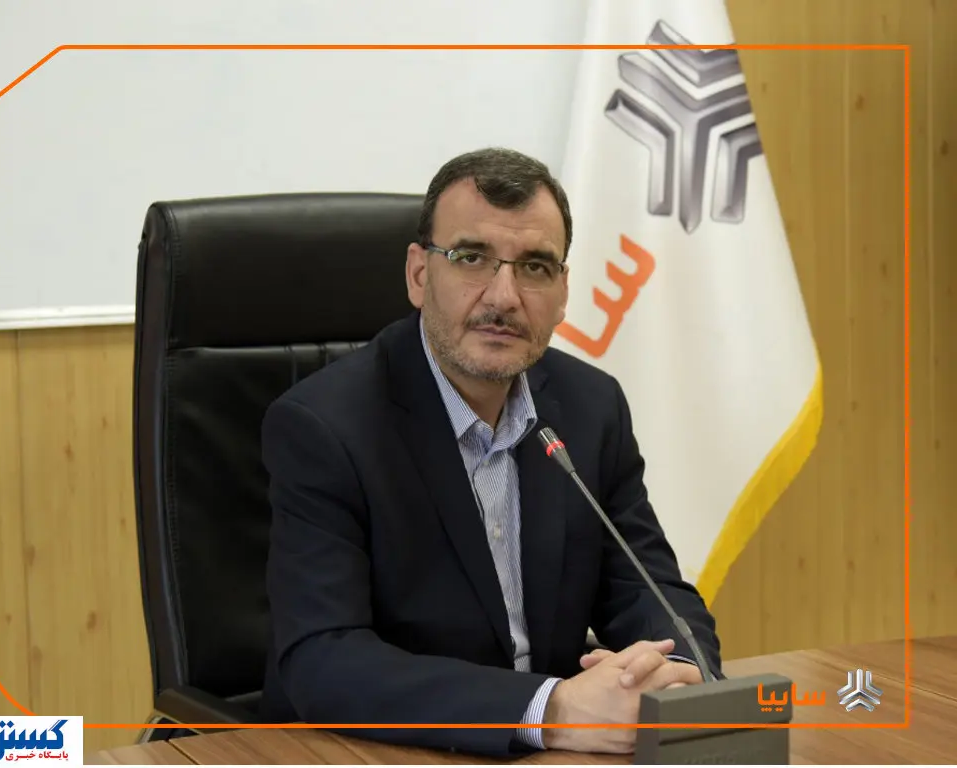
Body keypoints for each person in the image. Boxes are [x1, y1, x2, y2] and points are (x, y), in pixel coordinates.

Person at [257, 147, 722, 757]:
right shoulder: (324, 427)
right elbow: (325, 659)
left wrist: (675, 677)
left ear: (562, 292)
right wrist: (553, 709)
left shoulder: (591, 407)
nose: (503, 297)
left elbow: (649, 589)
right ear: (419, 275)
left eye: (534, 267)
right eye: (471, 258)